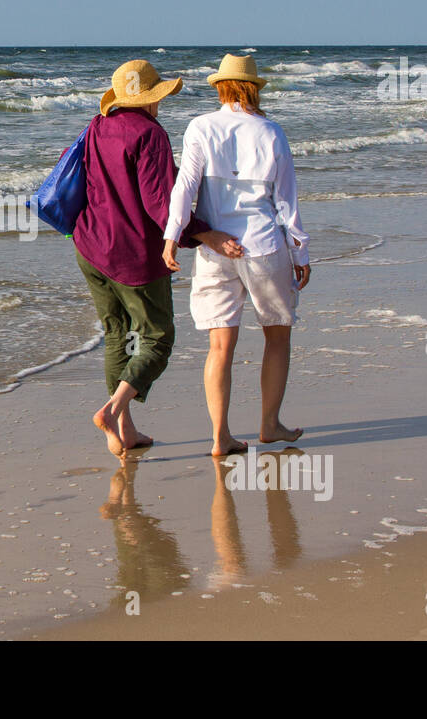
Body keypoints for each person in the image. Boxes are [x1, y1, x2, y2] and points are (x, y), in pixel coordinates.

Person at [75, 59, 243, 459]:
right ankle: (111, 411)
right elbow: (160, 203)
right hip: (131, 254)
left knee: (118, 334)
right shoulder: (150, 134)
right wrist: (204, 233)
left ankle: (123, 432)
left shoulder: (97, 126)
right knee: (157, 337)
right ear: (152, 98)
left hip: (90, 246)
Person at [162, 54, 310, 457]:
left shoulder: (200, 127)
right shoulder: (271, 132)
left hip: (216, 248)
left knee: (220, 347)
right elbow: (286, 201)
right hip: (263, 245)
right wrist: (300, 250)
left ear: (220, 87)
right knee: (277, 336)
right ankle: (269, 424)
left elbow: (184, 188)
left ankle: (220, 437)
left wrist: (172, 236)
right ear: (254, 87)